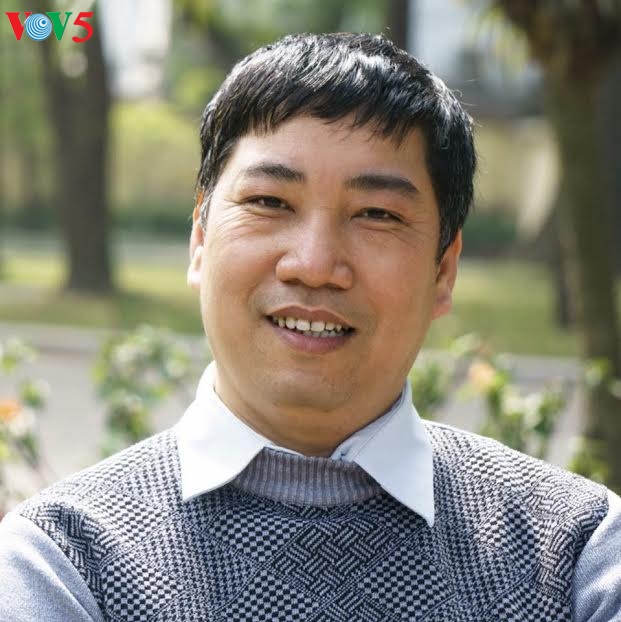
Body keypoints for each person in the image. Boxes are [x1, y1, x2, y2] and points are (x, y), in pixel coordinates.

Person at [1, 32, 620, 622]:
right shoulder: (62, 561)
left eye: (376, 214)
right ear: (200, 240)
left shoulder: (577, 553)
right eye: (270, 202)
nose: (315, 264)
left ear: (443, 271)